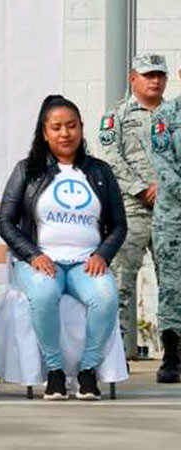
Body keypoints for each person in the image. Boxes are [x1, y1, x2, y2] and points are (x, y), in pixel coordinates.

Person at [0, 95, 127, 400]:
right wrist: (33, 255)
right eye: (56, 127)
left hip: (86, 263)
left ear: (81, 129)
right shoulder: (27, 171)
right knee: (43, 294)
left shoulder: (100, 172)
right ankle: (54, 372)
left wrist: (102, 254)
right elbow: (5, 222)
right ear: (44, 133)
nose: (65, 133)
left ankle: (87, 371)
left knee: (106, 297)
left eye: (71, 126)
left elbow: (119, 224)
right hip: (44, 262)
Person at [94, 53, 169, 361]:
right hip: (132, 210)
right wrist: (142, 189)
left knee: (173, 283)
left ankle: (173, 353)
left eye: (159, 75)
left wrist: (167, 189)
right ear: (133, 78)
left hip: (171, 212)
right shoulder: (117, 116)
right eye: (148, 75)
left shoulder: (175, 115)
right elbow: (110, 157)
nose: (154, 80)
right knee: (122, 281)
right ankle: (117, 353)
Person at [146, 95, 181, 384]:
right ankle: (172, 356)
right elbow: (163, 164)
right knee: (172, 286)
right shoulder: (165, 116)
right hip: (173, 218)